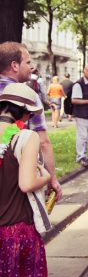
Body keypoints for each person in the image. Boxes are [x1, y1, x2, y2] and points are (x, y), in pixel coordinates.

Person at [0, 83, 51, 277]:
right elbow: (27, 184)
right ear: (26, 114)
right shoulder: (25, 137)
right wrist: (45, 176)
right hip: (16, 232)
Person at [0, 42, 62, 200]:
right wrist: (52, 179)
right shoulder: (27, 97)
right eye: (28, 62)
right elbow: (43, 142)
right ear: (15, 65)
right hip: (16, 182)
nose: (32, 67)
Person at [71, 66, 88, 167]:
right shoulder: (79, 84)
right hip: (81, 113)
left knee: (87, 136)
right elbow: (74, 100)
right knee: (82, 135)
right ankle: (80, 157)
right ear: (84, 72)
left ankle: (84, 156)